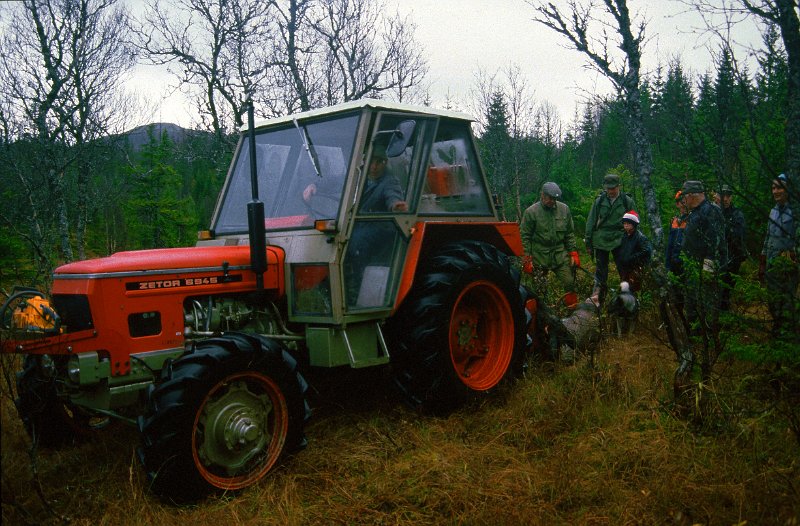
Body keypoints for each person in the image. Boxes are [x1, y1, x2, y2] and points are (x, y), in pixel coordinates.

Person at [678, 180, 728, 379]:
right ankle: (696, 350)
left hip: (706, 272)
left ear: (694, 195)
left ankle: (712, 353)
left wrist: (709, 265)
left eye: (686, 196)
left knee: (708, 312)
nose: (684, 200)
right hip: (692, 271)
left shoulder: (711, 211)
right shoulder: (696, 213)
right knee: (691, 309)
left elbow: (716, 240)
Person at [520, 182, 580, 305]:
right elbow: (524, 237)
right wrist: (526, 258)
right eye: (550, 198)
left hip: (559, 254)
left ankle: (572, 313)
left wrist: (573, 252)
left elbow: (569, 233)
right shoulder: (531, 212)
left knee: (569, 282)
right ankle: (543, 316)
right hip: (539, 256)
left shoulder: (564, 209)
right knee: (540, 290)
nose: (553, 201)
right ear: (542, 195)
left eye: (555, 199)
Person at [584, 173, 636, 304]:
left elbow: (635, 222)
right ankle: (598, 296)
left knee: (623, 268)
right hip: (602, 238)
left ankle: (627, 295)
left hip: (620, 238)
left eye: (613, 188)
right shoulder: (599, 201)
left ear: (619, 186)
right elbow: (591, 222)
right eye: (608, 188)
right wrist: (589, 243)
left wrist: (633, 241)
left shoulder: (627, 201)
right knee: (601, 270)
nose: (611, 191)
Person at [758, 173, 799, 339]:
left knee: (787, 302)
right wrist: (762, 261)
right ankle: (777, 331)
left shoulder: (795, 212)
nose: (775, 191)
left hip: (788, 266)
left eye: (779, 187)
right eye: (773, 188)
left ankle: (788, 337)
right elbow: (768, 237)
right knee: (773, 300)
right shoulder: (773, 211)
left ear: (787, 189)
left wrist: (793, 254)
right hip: (772, 264)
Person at [719, 184, 747, 311]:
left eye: (728, 196)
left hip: (733, 256)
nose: (725, 199)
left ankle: (725, 316)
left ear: (731, 197)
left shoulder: (737, 214)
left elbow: (737, 235)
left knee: (726, 290)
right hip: (719, 257)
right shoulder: (715, 212)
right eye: (722, 195)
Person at [616, 210, 652, 292]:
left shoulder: (640, 237)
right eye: (624, 223)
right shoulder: (623, 236)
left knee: (633, 288)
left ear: (634, 224)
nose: (626, 225)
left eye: (628, 223)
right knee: (624, 287)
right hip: (624, 268)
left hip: (635, 268)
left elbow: (646, 251)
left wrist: (632, 258)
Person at [665, 191, 688, 276]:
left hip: (686, 263)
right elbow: (669, 245)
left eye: (685, 202)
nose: (683, 205)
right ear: (677, 204)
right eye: (681, 202)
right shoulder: (674, 221)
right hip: (673, 262)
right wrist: (667, 265)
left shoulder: (693, 219)